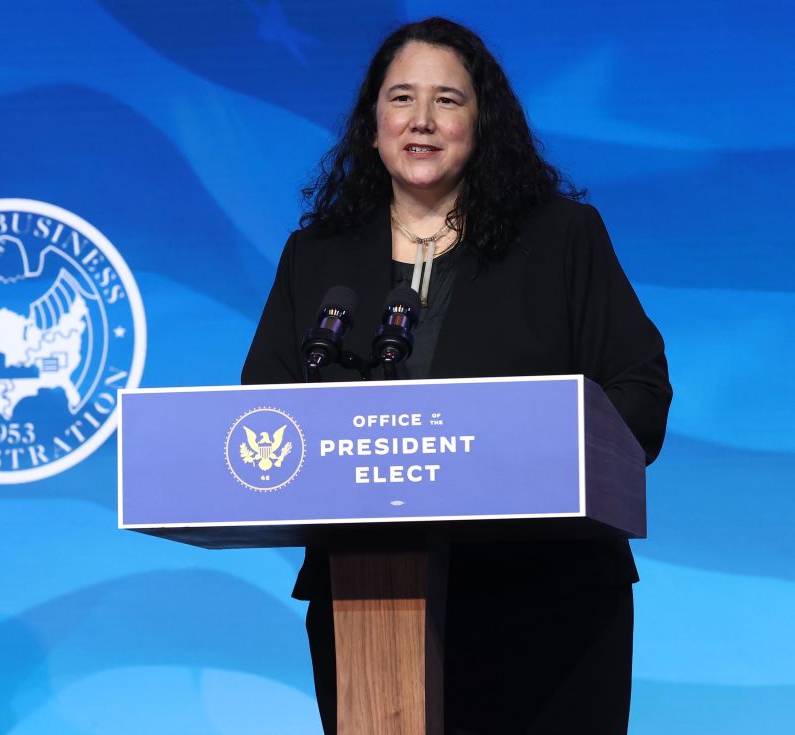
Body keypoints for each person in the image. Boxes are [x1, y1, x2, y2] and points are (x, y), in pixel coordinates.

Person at [241, 17, 672, 735]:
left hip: (549, 595)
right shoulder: (315, 257)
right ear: (372, 121)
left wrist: (549, 459)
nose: (421, 120)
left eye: (448, 100)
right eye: (401, 97)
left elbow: (639, 390)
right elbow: (264, 415)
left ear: (482, 121)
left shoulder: (561, 239)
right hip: (366, 596)